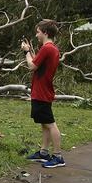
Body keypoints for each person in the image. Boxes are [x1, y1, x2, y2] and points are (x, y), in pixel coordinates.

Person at [21, 19, 64, 168]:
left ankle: (58, 156)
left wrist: (26, 52)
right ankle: (44, 153)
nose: (36, 34)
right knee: (44, 124)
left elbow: (32, 66)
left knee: (50, 124)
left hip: (42, 91)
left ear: (45, 32)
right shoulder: (50, 49)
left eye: (38, 32)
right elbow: (39, 64)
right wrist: (32, 52)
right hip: (42, 90)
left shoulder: (47, 48)